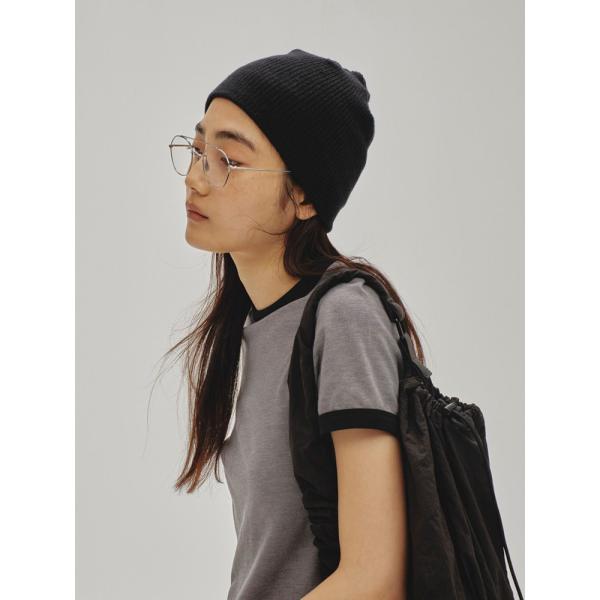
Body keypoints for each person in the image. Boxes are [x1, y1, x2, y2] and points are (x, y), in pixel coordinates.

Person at [163, 49, 427, 600]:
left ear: (304, 195)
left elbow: (375, 578)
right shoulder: (260, 325)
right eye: (198, 150)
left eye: (228, 161)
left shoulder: (344, 315)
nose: (195, 179)